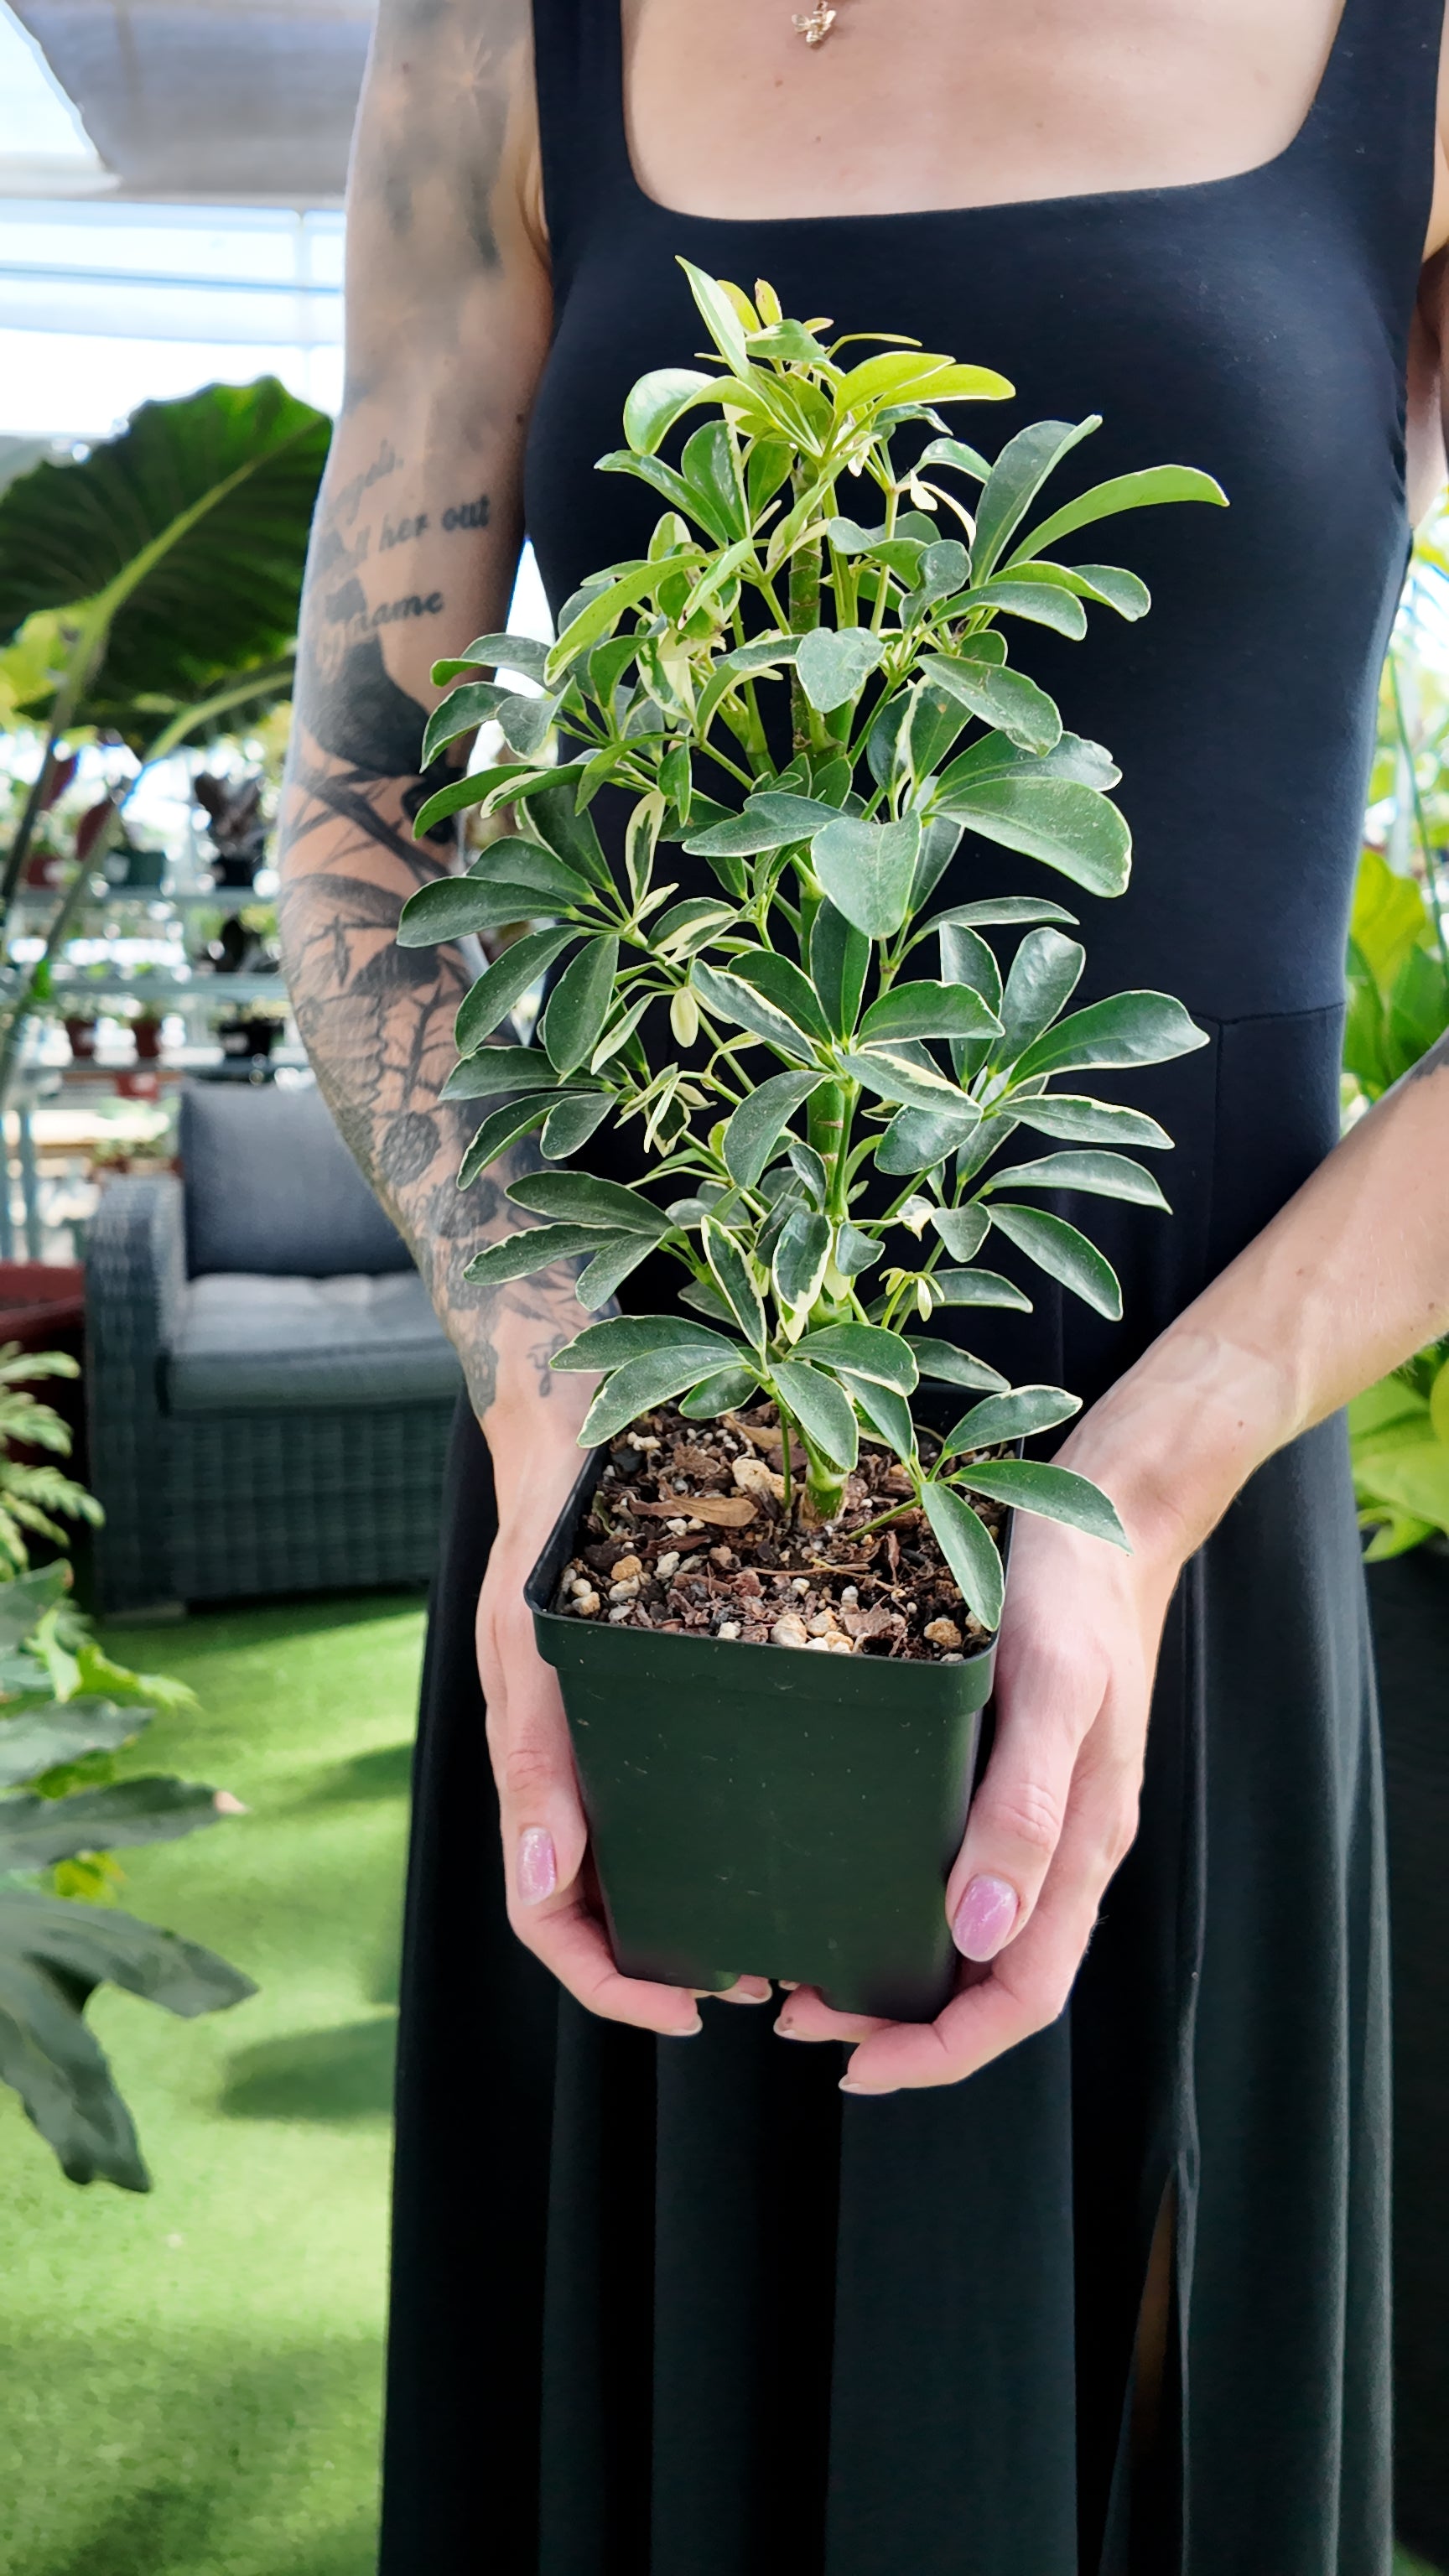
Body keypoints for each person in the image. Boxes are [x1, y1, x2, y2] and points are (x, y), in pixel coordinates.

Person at [276, 3, 1449, 2566]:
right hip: (660, 1407)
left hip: (1178, 1403)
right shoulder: (493, 32)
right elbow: (363, 811)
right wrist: (549, 1401)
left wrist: (1135, 1493)